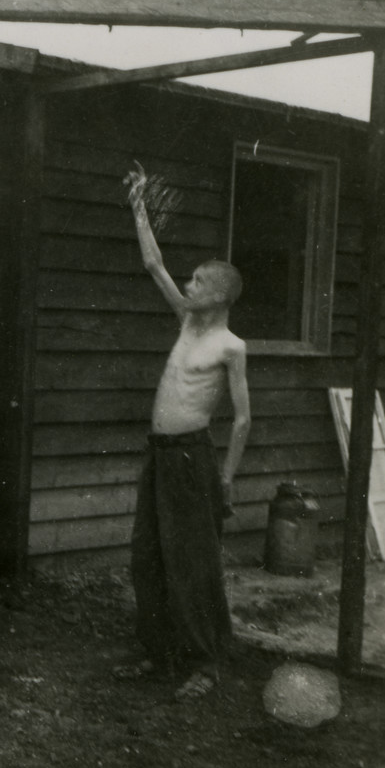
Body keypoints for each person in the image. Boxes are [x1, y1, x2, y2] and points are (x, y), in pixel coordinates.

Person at [117, 161, 252, 699]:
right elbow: (153, 263)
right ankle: (158, 653)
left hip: (194, 459)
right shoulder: (185, 321)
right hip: (160, 455)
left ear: (217, 296)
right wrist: (138, 206)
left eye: (197, 281)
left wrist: (227, 477)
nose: (188, 284)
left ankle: (204, 663)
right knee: (146, 556)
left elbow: (243, 418)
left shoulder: (230, 346)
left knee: (192, 562)